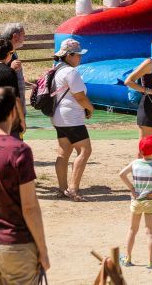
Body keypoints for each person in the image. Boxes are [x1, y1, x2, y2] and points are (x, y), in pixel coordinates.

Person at [0, 87, 48, 284]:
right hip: (15, 244)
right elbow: (29, 207)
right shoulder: (19, 150)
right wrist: (43, 249)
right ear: (13, 111)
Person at [51, 39, 94, 202]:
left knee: (63, 153)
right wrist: (90, 108)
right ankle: (73, 189)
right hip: (71, 118)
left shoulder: (56, 69)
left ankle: (63, 189)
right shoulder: (71, 72)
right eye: (78, 55)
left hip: (58, 116)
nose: (80, 58)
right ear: (69, 56)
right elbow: (80, 96)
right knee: (85, 150)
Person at [117, 135, 152, 269]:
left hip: (136, 201)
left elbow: (121, 174)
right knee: (150, 231)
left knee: (132, 230)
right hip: (150, 201)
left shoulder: (135, 163)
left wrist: (132, 188)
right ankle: (151, 262)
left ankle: (127, 259)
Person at [0, 39, 24, 135]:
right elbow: (16, 99)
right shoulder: (9, 72)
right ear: (8, 54)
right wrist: (22, 120)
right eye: (12, 52)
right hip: (6, 117)